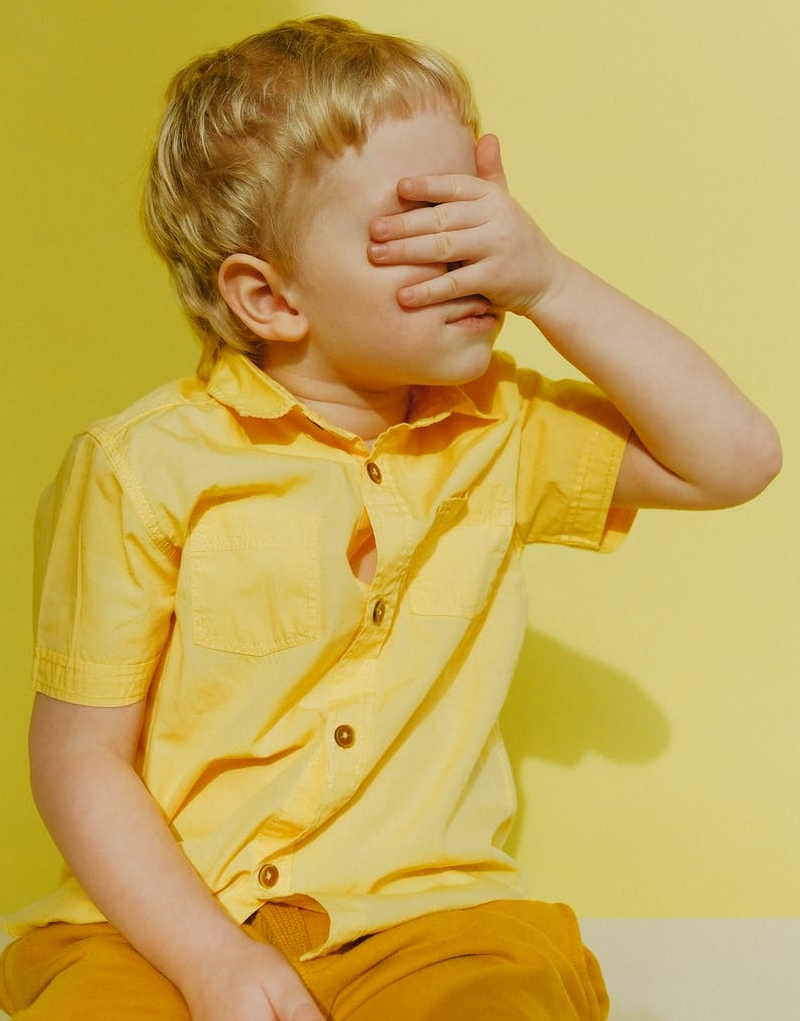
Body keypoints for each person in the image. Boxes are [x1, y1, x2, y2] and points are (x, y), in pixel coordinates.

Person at [0, 15, 781, 1021]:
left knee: (504, 996)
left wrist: (547, 278)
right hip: (161, 920)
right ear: (270, 299)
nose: (476, 257)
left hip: (431, 924)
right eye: (422, 229)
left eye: (479, 214)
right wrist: (210, 964)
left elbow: (735, 459)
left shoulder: (503, 428)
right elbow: (78, 757)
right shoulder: (139, 467)